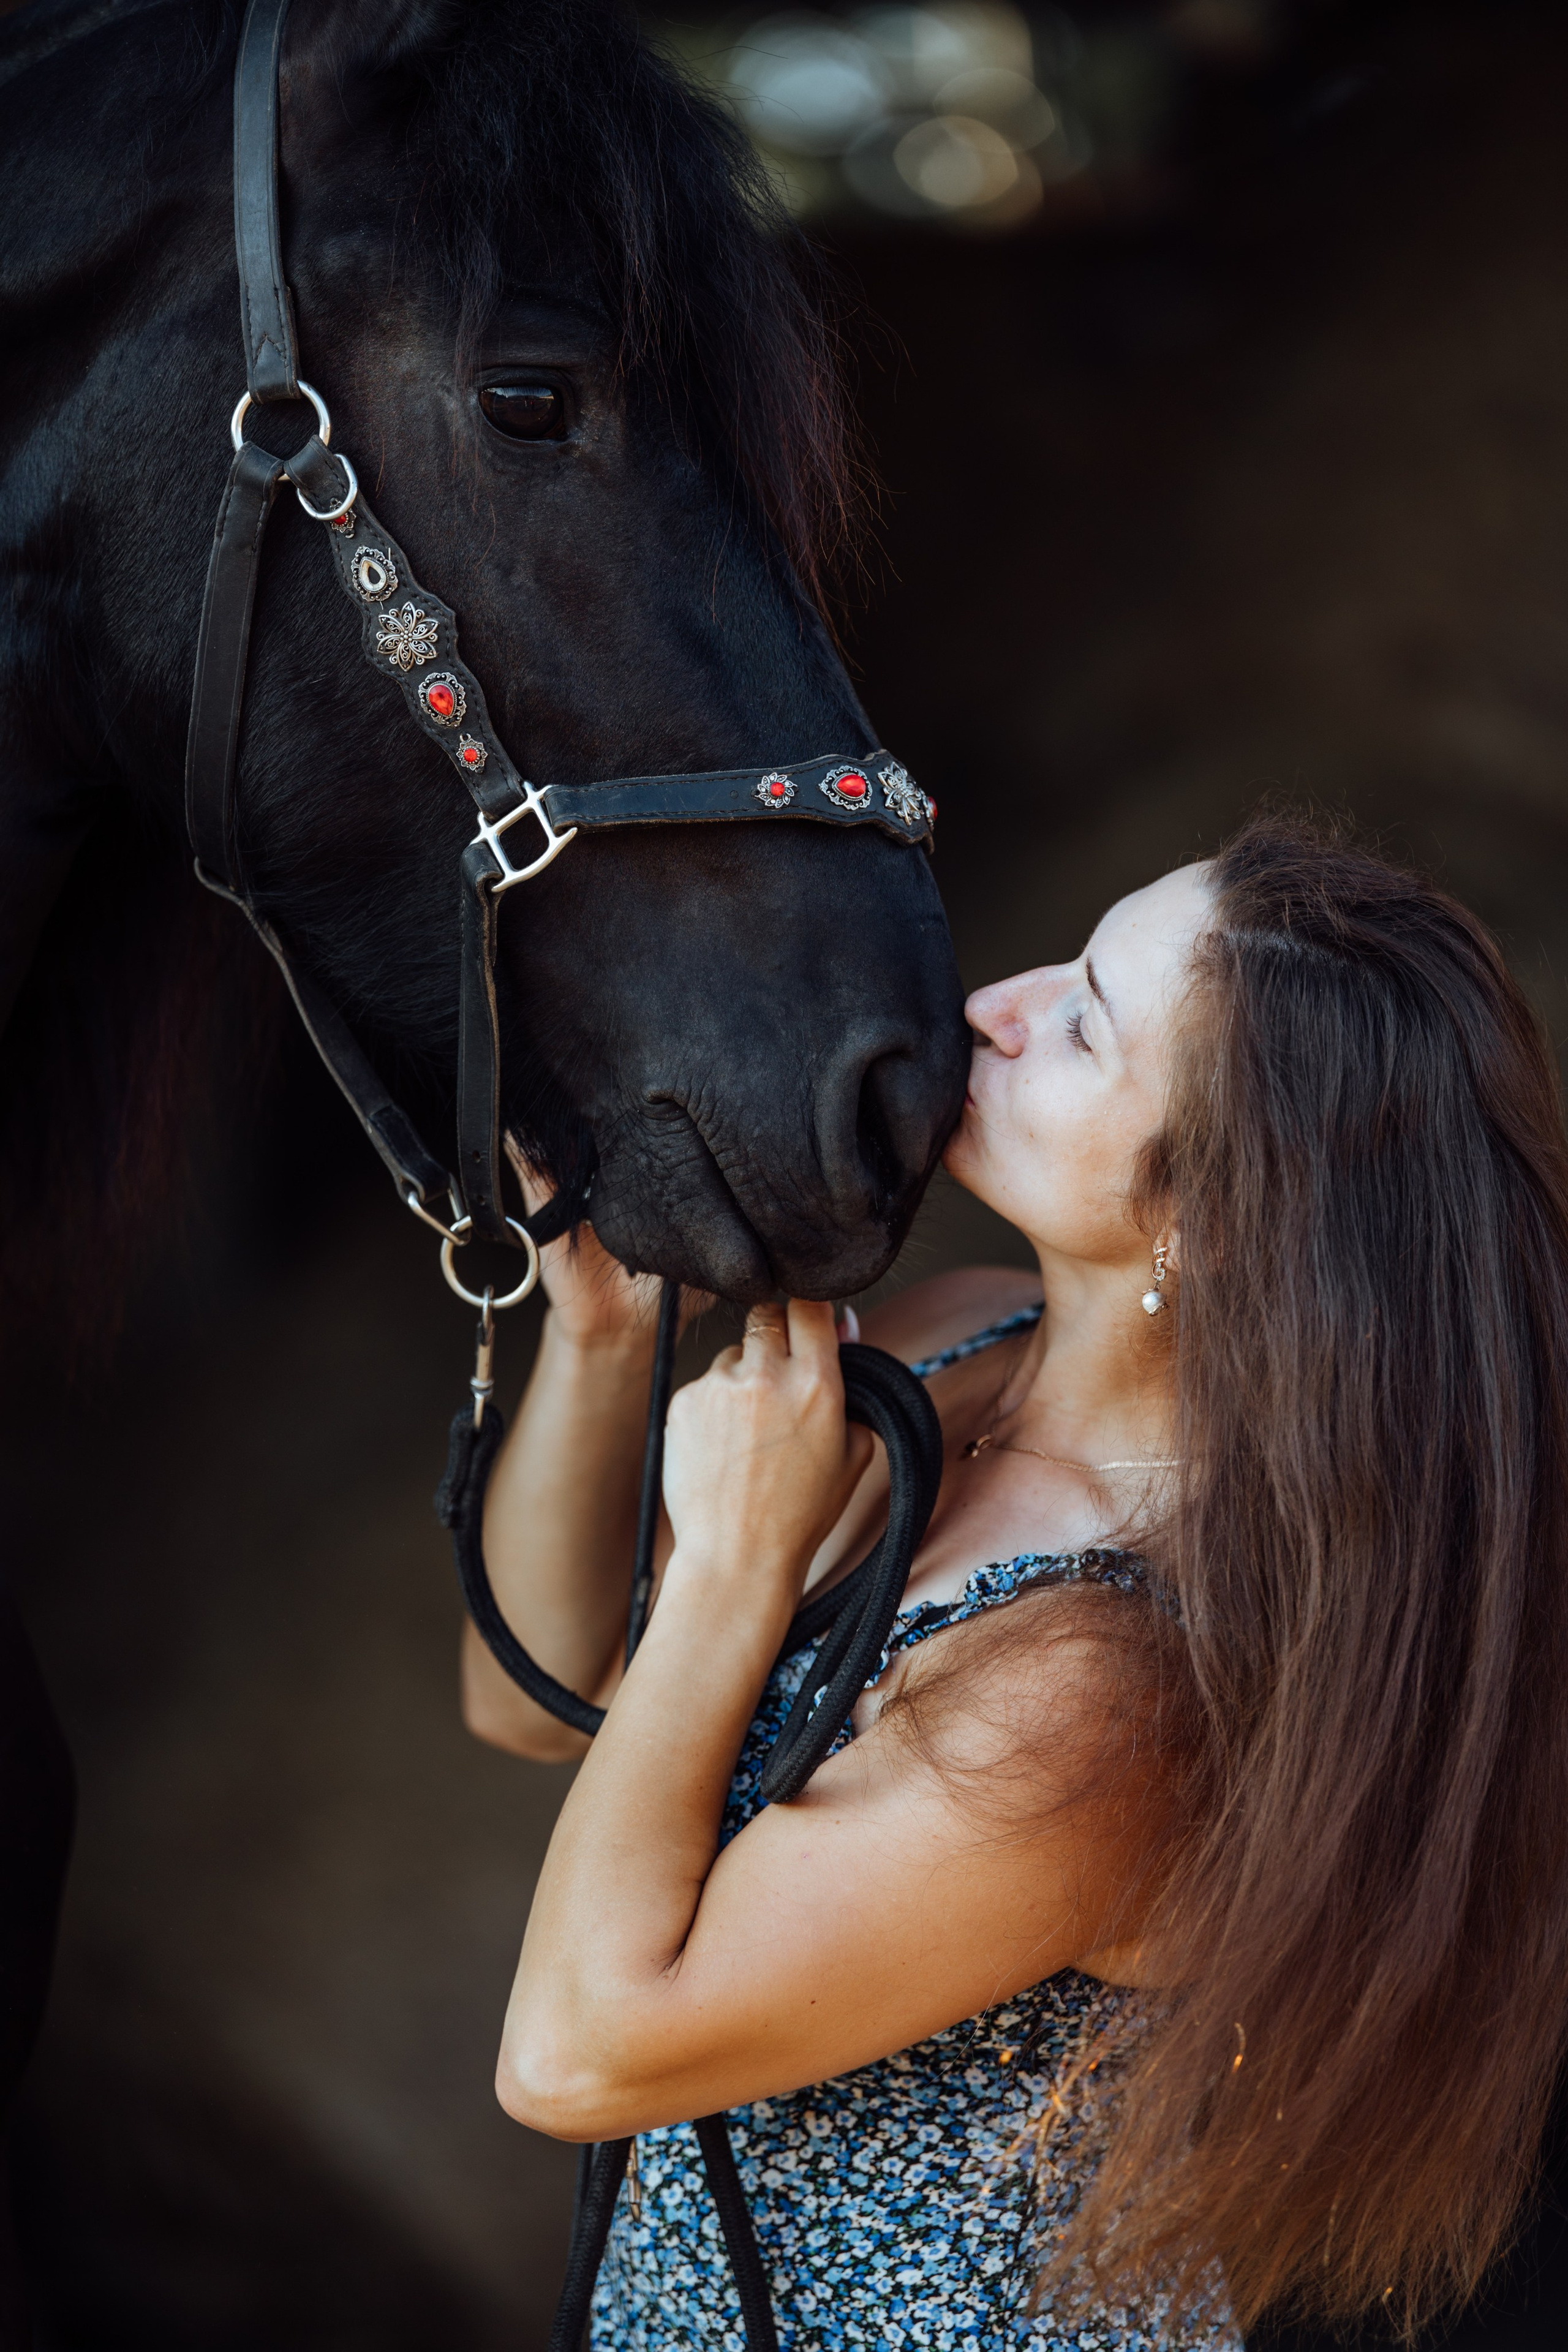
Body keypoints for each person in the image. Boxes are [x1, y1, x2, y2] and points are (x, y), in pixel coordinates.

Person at [464, 814, 1568, 2350]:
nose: (998, 1000)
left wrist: (732, 1566)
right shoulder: (956, 1335)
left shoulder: (1110, 1692)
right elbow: (543, 1690)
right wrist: (598, 1339)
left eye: (1084, 1022)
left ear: (1211, 1220)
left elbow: (577, 2057)